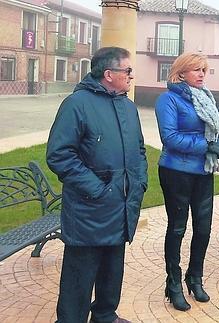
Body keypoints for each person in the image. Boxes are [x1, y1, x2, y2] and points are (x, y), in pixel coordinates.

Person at [46, 47, 147, 323]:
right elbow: (59, 155)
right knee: (80, 275)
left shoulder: (127, 106)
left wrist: (140, 182)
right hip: (90, 210)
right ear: (109, 74)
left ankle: (104, 315)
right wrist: (97, 189)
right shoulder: (77, 104)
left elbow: (139, 149)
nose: (131, 76)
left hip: (121, 206)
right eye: (127, 71)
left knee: (112, 269)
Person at [154, 53, 219, 311]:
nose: (202, 74)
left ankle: (195, 277)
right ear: (180, 73)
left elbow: (212, 133)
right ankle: (173, 283)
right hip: (176, 171)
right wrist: (210, 145)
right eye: (196, 70)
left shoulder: (205, 98)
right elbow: (170, 138)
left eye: (204, 69)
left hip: (203, 170)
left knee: (203, 228)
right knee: (178, 228)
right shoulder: (168, 99)